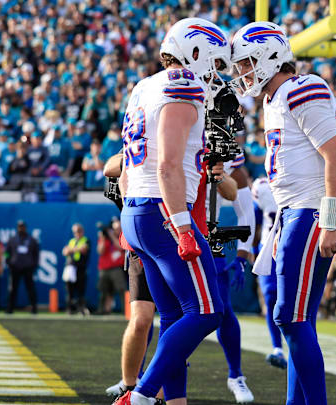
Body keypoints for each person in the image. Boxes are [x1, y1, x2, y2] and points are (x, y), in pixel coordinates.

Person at [114, 17, 231, 405]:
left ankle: (175, 401)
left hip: (138, 209)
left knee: (174, 318)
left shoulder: (143, 86)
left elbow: (128, 167)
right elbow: (166, 165)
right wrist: (182, 225)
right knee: (207, 311)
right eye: (214, 62)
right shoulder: (181, 86)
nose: (215, 73)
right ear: (196, 52)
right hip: (163, 211)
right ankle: (142, 395)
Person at [231, 22, 336, 405]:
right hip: (295, 213)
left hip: (312, 211)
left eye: (248, 62)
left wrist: (329, 221)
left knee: (289, 317)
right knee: (298, 319)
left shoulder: (303, 88)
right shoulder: (274, 97)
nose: (243, 72)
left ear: (268, 56)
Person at [251, 177, 286, 369]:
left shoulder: (300, 177)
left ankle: (297, 345)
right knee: (271, 295)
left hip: (293, 243)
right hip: (268, 244)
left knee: (292, 299)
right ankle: (277, 348)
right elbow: (255, 220)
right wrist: (252, 250)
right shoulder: (261, 186)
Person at [5, 220, 40, 314]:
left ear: (25, 227)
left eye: (23, 226)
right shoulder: (12, 239)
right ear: (17, 227)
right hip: (15, 267)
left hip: (28, 268)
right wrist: (8, 263)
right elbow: (7, 253)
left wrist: (34, 265)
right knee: (12, 289)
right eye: (20, 226)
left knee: (30, 288)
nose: (21, 228)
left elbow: (36, 254)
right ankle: (10, 309)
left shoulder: (31, 240)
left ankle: (34, 308)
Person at [97, 217, 126, 315]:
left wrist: (112, 235)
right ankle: (103, 310)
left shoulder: (122, 236)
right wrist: (103, 238)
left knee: (121, 289)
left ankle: (126, 310)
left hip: (117, 268)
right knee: (104, 290)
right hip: (104, 268)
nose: (116, 230)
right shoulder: (105, 238)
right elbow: (100, 251)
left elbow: (121, 246)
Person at [62, 223, 90, 315]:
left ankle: (81, 309)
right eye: (75, 232)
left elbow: (83, 249)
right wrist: (74, 249)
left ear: (82, 231)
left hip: (80, 269)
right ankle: (70, 309)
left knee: (80, 291)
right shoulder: (72, 241)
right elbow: (65, 252)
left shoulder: (86, 240)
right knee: (69, 290)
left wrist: (71, 249)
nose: (77, 233)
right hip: (70, 268)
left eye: (78, 231)